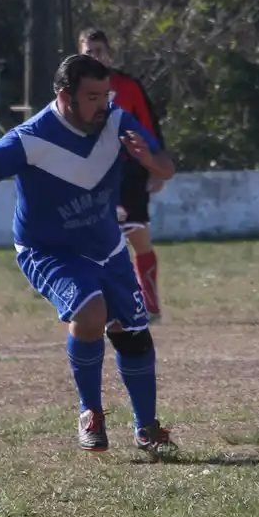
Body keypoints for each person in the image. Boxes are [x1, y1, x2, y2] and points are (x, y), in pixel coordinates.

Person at [0, 53, 179, 457]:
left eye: (106, 95)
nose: (103, 105)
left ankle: (147, 429)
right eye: (93, 97)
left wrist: (151, 161)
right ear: (65, 97)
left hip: (107, 246)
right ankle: (90, 414)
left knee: (133, 333)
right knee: (91, 313)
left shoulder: (116, 120)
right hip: (48, 251)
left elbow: (167, 166)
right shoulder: (31, 139)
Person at [77, 28, 167, 323]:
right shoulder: (70, 91)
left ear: (110, 54)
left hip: (129, 171)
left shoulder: (128, 87)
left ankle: (150, 305)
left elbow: (149, 128)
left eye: (100, 51)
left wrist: (156, 169)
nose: (95, 57)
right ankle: (101, 304)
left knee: (137, 236)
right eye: (89, 52)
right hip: (91, 173)